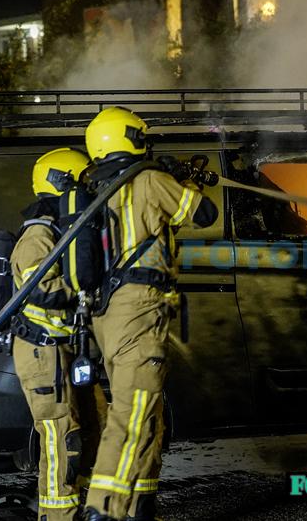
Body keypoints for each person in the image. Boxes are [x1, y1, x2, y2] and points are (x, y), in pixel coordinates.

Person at [82, 107, 218, 521]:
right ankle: (102, 511)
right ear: (129, 138)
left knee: (148, 414)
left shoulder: (96, 187)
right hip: (140, 308)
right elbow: (203, 214)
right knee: (133, 413)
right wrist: (182, 179)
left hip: (110, 313)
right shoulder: (148, 180)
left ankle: (140, 504)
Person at [11, 148, 104, 521]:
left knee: (95, 426)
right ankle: (57, 515)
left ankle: (85, 506)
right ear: (63, 182)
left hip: (66, 348)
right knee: (60, 436)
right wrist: (83, 286)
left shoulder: (67, 227)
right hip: (41, 351)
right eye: (83, 181)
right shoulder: (39, 233)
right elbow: (42, 290)